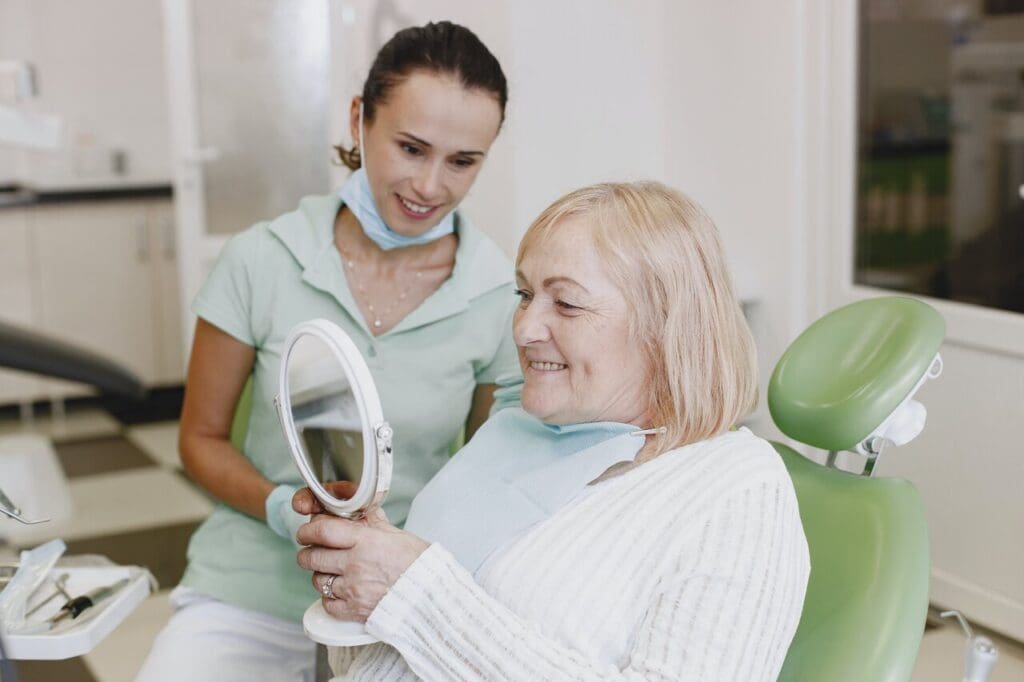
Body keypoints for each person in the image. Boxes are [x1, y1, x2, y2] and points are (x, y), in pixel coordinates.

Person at [295, 182, 811, 681]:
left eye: (566, 303)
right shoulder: (518, 435)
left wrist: (413, 590)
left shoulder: (736, 493)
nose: (523, 329)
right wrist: (363, 565)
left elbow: (424, 604)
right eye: (525, 294)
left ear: (666, 328)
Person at [137, 21, 519, 682]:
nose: (430, 185)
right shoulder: (263, 258)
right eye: (410, 147)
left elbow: (486, 472)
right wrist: (283, 510)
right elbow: (200, 439)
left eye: (463, 161)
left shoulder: (495, 292)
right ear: (358, 121)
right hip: (253, 578)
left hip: (402, 592)